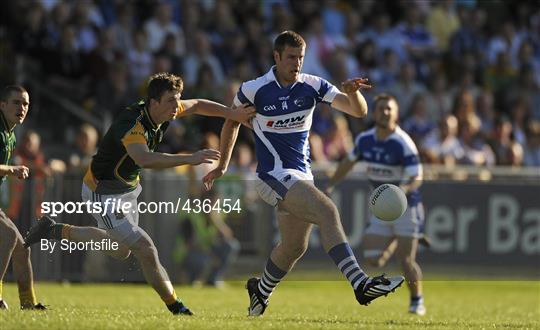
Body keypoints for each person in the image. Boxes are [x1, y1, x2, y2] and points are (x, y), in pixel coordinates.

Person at [203, 31, 404, 316]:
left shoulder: (313, 85)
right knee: (327, 212)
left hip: (300, 176)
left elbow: (357, 112)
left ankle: (260, 291)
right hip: (271, 175)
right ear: (276, 57)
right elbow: (231, 122)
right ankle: (360, 283)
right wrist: (223, 164)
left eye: (300, 58)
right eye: (291, 57)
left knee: (294, 246)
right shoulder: (254, 89)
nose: (296, 63)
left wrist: (353, 93)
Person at [24, 73, 255, 315]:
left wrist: (233, 114)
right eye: (171, 101)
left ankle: (53, 230)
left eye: (177, 99)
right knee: (146, 248)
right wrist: (191, 158)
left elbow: (197, 104)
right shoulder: (133, 123)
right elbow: (144, 158)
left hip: (127, 190)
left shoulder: (167, 110)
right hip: (102, 193)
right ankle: (176, 307)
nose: (176, 106)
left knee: (121, 251)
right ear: (153, 102)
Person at [325, 94, 427, 316]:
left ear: (397, 114)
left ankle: (416, 300)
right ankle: (395, 240)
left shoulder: (403, 143)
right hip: (381, 208)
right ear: (374, 112)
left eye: (389, 109)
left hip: (407, 207)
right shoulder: (364, 140)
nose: (385, 113)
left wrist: (400, 193)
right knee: (373, 260)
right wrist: (331, 184)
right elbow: (348, 163)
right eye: (381, 109)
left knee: (406, 260)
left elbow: (416, 177)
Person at [0, 85, 46, 310]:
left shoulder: (10, 135)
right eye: (16, 102)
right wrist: (11, 170)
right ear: (2, 105)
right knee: (8, 236)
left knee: (22, 247)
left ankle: (28, 304)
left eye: (25, 103)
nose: (22, 107)